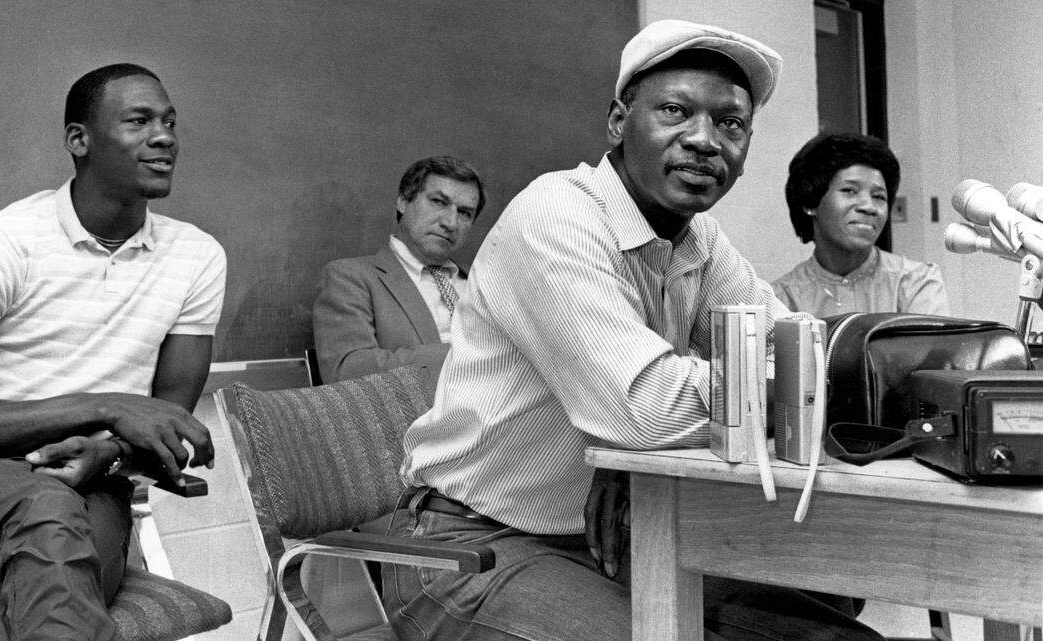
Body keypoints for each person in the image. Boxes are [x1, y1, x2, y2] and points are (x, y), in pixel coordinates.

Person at [384, 19, 884, 641]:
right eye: (675, 111)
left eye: (730, 123)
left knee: (830, 619)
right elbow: (645, 410)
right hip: (469, 545)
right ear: (619, 121)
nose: (705, 141)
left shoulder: (700, 240)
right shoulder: (555, 215)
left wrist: (632, 461)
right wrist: (649, 437)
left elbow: (792, 344)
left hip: (611, 531)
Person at [0, 63, 226, 641]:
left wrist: (107, 453)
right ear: (79, 140)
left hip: (92, 489)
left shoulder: (196, 257)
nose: (165, 137)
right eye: (139, 121)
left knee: (23, 600)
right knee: (48, 521)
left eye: (170, 122)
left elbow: (165, 423)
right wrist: (102, 406)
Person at [312, 155, 485, 392]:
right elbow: (348, 373)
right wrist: (471, 355)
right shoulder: (350, 277)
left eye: (465, 213)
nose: (451, 222)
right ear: (403, 201)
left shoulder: (485, 286)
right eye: (438, 201)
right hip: (415, 423)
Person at [772, 132, 949, 316]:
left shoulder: (915, 283)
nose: (869, 207)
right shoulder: (780, 299)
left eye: (879, 196)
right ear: (810, 202)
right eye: (849, 191)